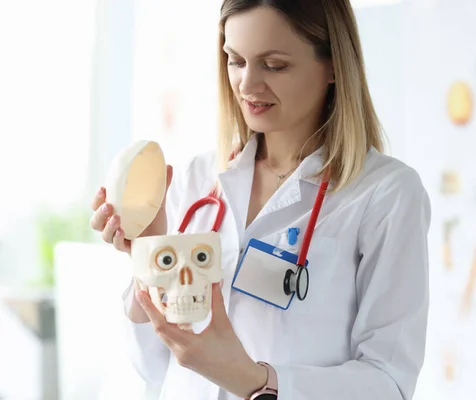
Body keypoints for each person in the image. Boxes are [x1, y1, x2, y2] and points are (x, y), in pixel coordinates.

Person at [90, 1, 431, 399]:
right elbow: (150, 369)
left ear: (335, 65)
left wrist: (254, 381)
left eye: (274, 65)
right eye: (235, 60)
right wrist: (149, 256)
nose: (248, 85)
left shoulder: (385, 194)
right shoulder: (194, 179)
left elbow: (388, 384)